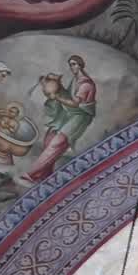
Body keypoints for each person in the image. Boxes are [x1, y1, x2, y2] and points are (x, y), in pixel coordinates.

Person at [20, 55, 96, 185]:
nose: (72, 67)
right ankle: (46, 174)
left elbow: (75, 104)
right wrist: (53, 83)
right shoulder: (76, 79)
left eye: (74, 64)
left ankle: (31, 174)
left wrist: (57, 96)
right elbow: (68, 95)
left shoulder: (86, 84)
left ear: (80, 65)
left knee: (57, 142)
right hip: (68, 114)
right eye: (70, 64)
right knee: (49, 139)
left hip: (80, 117)